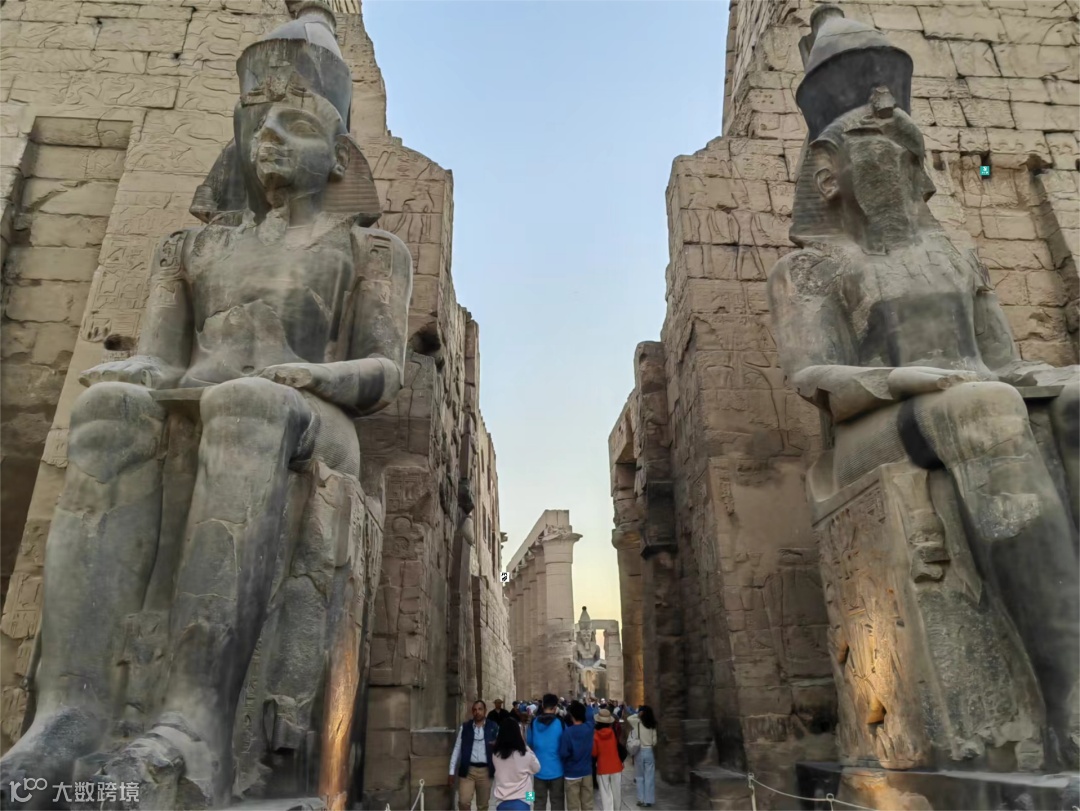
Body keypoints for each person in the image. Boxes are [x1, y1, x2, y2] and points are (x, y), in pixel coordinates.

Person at [449, 700, 500, 811]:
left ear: (485, 711)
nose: (477, 712)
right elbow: (457, 749)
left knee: (483, 805)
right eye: (475, 710)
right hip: (468, 770)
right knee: (463, 802)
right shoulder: (465, 727)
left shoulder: (493, 727)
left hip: (485, 771)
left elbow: (501, 747)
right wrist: (451, 771)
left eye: (480, 709)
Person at [526, 693, 565, 810]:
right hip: (557, 770)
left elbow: (529, 743)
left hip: (538, 770)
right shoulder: (560, 723)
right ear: (555, 707)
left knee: (538, 801)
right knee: (557, 802)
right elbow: (565, 744)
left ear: (542, 706)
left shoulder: (534, 722)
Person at [491, 718, 541, 811]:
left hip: (501, 800)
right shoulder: (525, 755)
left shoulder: (495, 755)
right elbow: (537, 768)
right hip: (524, 799)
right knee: (530, 795)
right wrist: (525, 745)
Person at [558, 701, 594, 811]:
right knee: (588, 804)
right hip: (586, 771)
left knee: (573, 805)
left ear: (571, 716)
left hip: (572, 772)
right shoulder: (589, 728)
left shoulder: (568, 732)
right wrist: (587, 705)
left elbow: (563, 753)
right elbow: (591, 715)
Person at [592, 708, 624, 811]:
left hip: (603, 767)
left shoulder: (595, 735)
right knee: (616, 791)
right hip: (616, 765)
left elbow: (594, 753)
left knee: (605, 793)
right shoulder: (613, 733)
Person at [628, 705, 658, 807]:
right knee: (649, 777)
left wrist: (637, 714)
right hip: (649, 751)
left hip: (639, 752)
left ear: (642, 713)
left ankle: (641, 799)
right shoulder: (653, 725)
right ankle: (648, 800)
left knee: (640, 776)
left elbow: (629, 718)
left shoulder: (637, 723)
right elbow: (654, 742)